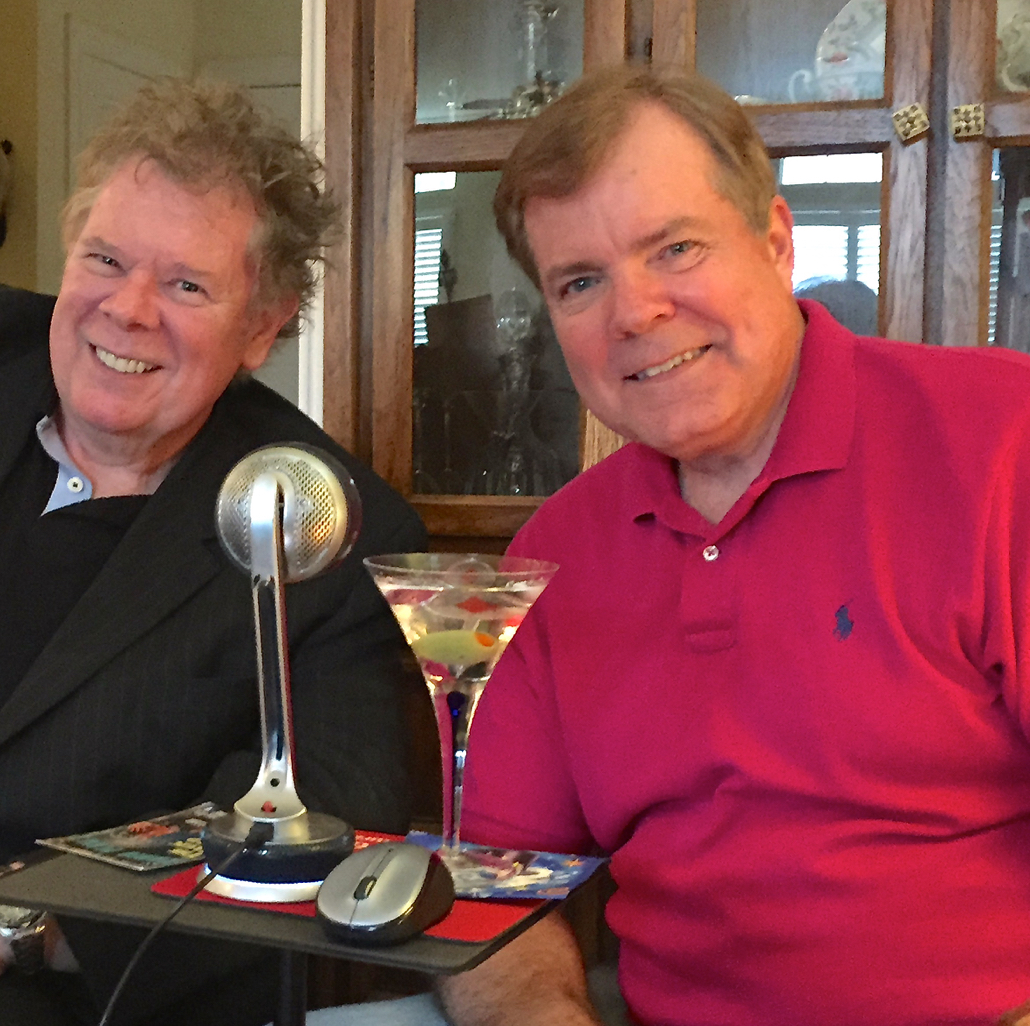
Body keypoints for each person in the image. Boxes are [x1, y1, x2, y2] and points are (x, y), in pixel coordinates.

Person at [311, 64, 1030, 1026]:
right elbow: (489, 887)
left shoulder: (999, 444)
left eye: (676, 248)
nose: (636, 312)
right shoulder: (555, 555)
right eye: (581, 282)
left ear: (775, 241)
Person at [0, 78, 425, 1026]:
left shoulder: (321, 526)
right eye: (105, 259)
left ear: (263, 326)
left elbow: (318, 830)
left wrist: (9, 918)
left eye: (187, 286)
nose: (129, 310)